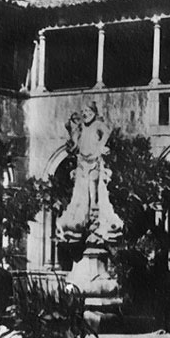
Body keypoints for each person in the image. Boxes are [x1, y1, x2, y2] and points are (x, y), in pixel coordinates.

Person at [56, 102, 123, 245]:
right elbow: (75, 141)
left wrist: (100, 146)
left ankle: (95, 217)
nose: (85, 113)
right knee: (81, 193)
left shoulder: (97, 124)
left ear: (94, 112)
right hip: (82, 162)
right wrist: (71, 129)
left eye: (88, 110)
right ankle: (85, 220)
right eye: (84, 111)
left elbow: (107, 132)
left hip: (94, 161)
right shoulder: (82, 127)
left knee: (94, 192)